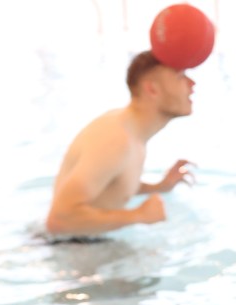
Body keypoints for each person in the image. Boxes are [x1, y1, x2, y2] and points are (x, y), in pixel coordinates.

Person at [44, 51, 195, 237]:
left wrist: (159, 187)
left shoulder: (132, 133)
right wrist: (138, 215)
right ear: (152, 89)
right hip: (69, 252)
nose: (192, 84)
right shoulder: (115, 140)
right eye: (181, 76)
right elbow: (58, 221)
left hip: (83, 245)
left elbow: (112, 184)